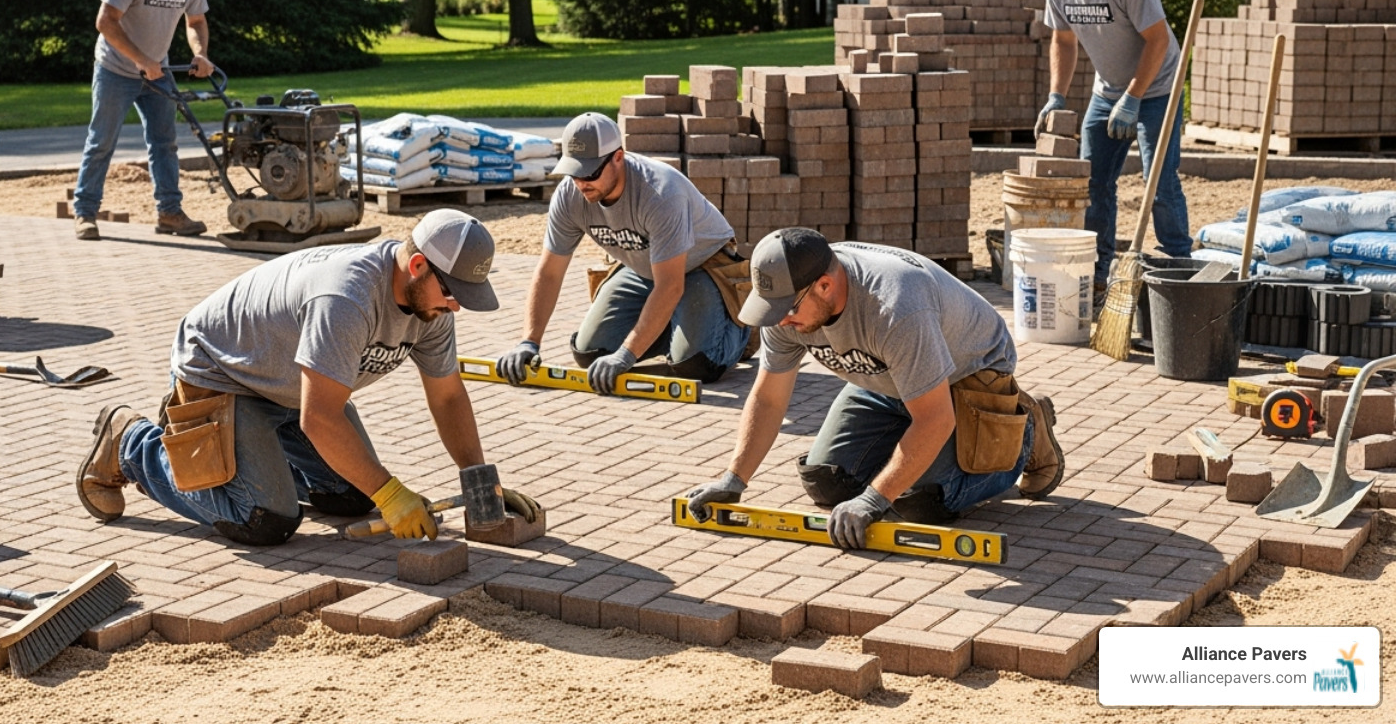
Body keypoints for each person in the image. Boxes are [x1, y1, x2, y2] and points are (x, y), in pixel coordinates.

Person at [76, 209, 540, 546]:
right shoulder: (348, 298)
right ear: (417, 266)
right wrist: (392, 492)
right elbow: (320, 420)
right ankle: (133, 444)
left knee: (353, 497)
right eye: (453, 292)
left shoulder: (432, 306)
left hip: (289, 386)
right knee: (265, 518)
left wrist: (480, 481)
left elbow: (447, 397)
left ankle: (248, 453)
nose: (456, 305)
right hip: (224, 371)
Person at [684, 229, 1063, 549]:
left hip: (967, 378)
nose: (780, 319)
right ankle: (917, 444)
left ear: (825, 285)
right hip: (889, 379)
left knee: (921, 501)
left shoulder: (895, 306)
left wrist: (875, 496)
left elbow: (933, 417)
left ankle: (1024, 427)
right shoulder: (786, 303)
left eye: (788, 309)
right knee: (827, 481)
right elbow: (768, 398)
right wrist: (734, 479)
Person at [494, 111, 752, 394]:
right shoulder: (570, 195)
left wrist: (627, 354)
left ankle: (740, 329)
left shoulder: (661, 192)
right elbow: (549, 272)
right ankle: (676, 325)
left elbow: (670, 285)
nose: (581, 182)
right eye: (573, 171)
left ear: (618, 157)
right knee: (590, 354)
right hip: (643, 266)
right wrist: (529, 342)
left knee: (697, 365)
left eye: (590, 172)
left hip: (703, 265)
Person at [1031, 0, 1190, 289]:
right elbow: (1064, 42)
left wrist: (1134, 96)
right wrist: (1057, 96)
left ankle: (1182, 268)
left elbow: (1158, 41)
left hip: (1158, 89)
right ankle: (1098, 273)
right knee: (1094, 184)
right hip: (1107, 94)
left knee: (1158, 183)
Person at [71, 0, 214, 241]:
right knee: (101, 142)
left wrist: (200, 54)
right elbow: (105, 22)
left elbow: (196, 21)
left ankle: (169, 213)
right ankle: (85, 213)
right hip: (115, 70)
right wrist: (142, 60)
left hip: (158, 72)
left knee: (165, 143)